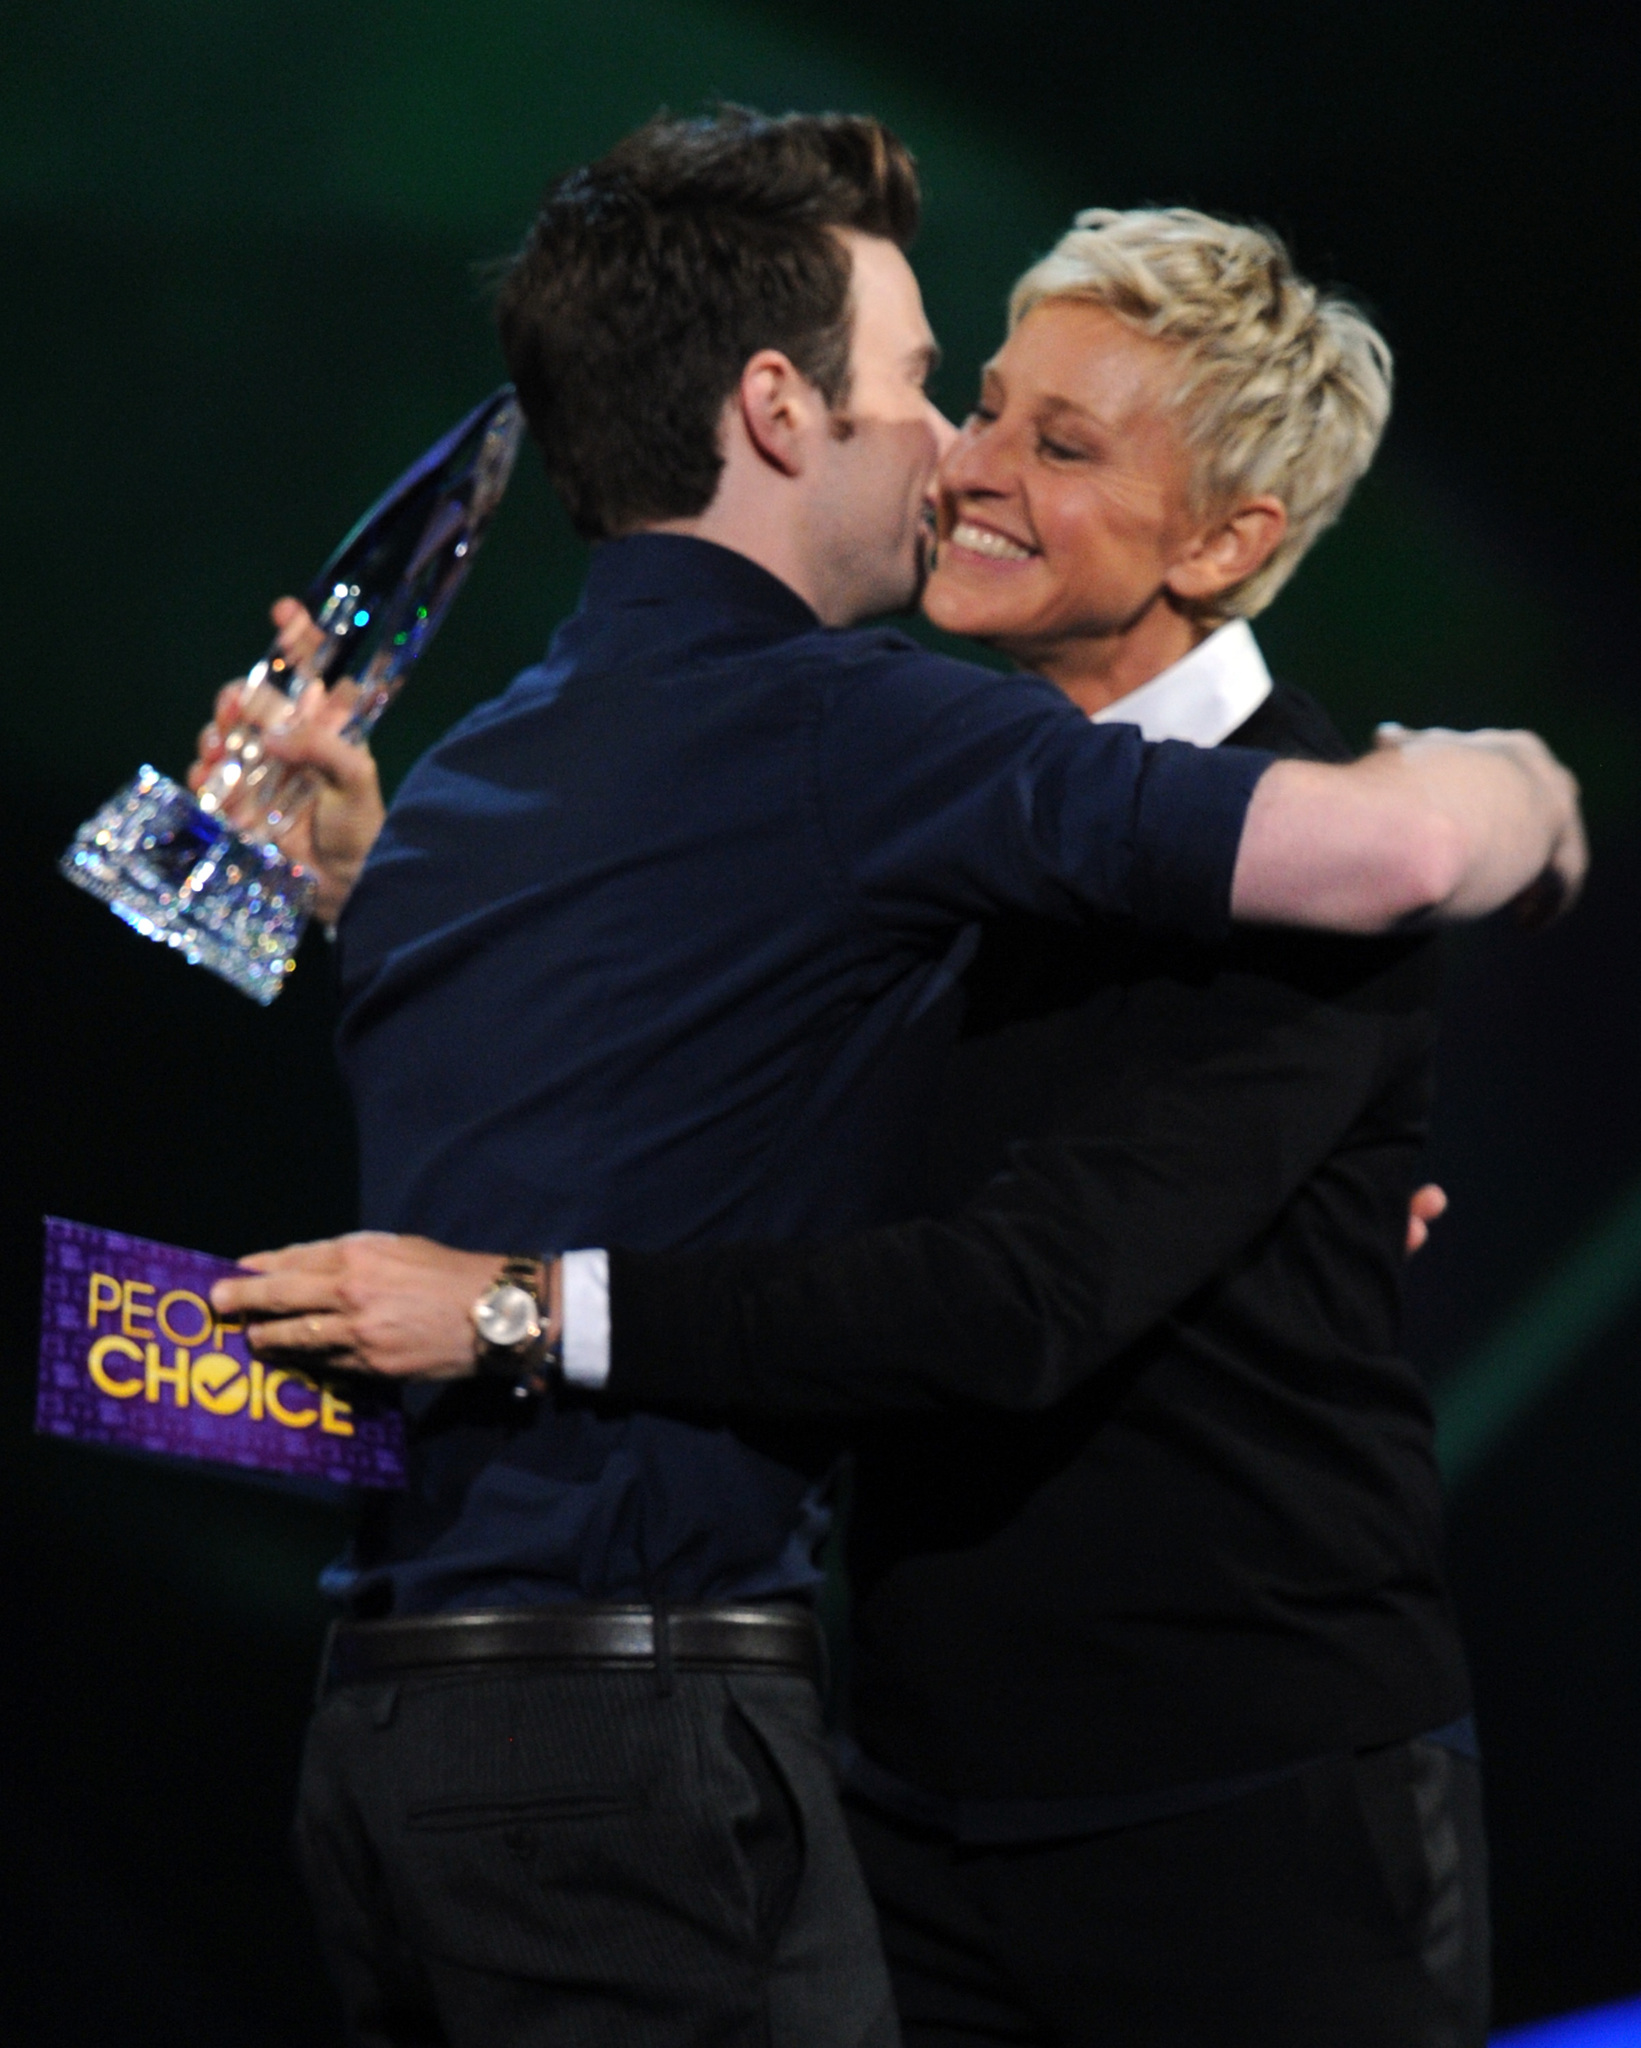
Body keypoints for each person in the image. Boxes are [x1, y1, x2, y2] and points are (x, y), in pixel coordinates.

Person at [209, 119, 1580, 2048]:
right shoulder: (913, 790)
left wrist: (1514, 795)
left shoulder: (1256, 850)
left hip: (1246, 1808)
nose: (966, 466)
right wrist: (372, 890)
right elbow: (710, 1085)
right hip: (903, 1797)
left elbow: (1013, 1299)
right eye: (971, 398)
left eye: (1056, 444)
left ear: (1224, 543)